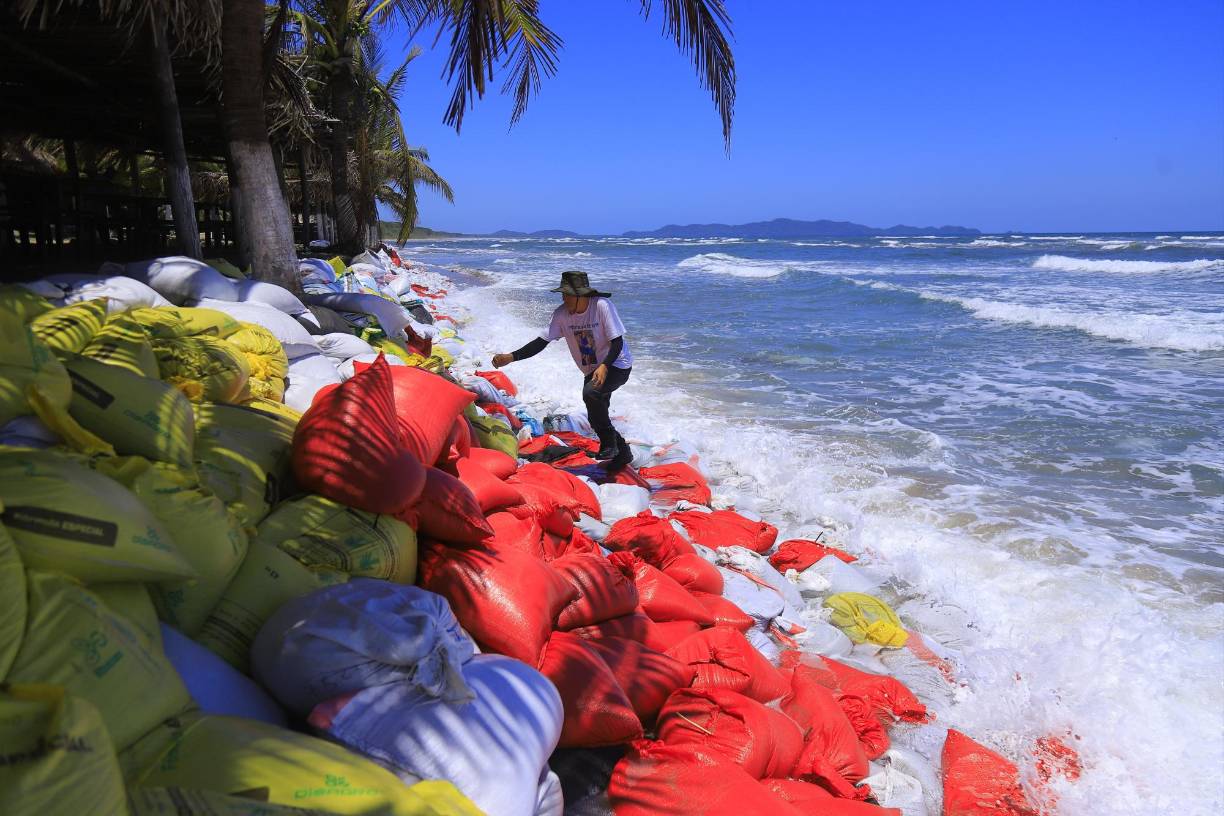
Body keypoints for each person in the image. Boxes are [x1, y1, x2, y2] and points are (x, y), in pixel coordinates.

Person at [493, 271, 634, 468]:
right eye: (563, 294)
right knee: (595, 417)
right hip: (592, 369)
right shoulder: (562, 315)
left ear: (580, 295)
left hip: (617, 363)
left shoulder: (601, 306)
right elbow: (541, 342)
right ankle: (623, 454)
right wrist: (511, 356)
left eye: (567, 294)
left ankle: (609, 444)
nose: (563, 298)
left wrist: (604, 366)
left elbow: (617, 342)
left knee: (591, 393)